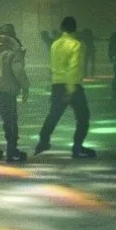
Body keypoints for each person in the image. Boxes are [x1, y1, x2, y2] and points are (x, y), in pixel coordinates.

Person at [34, 16, 96, 159]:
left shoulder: (55, 44)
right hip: (71, 85)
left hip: (57, 84)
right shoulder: (77, 45)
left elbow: (53, 65)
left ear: (62, 28)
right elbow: (74, 68)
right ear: (75, 29)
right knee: (83, 117)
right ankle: (77, 147)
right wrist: (71, 89)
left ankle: (43, 140)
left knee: (54, 115)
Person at [0, 24, 29, 162]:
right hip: (6, 89)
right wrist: (25, 86)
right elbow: (18, 71)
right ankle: (12, 150)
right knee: (10, 121)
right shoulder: (13, 50)